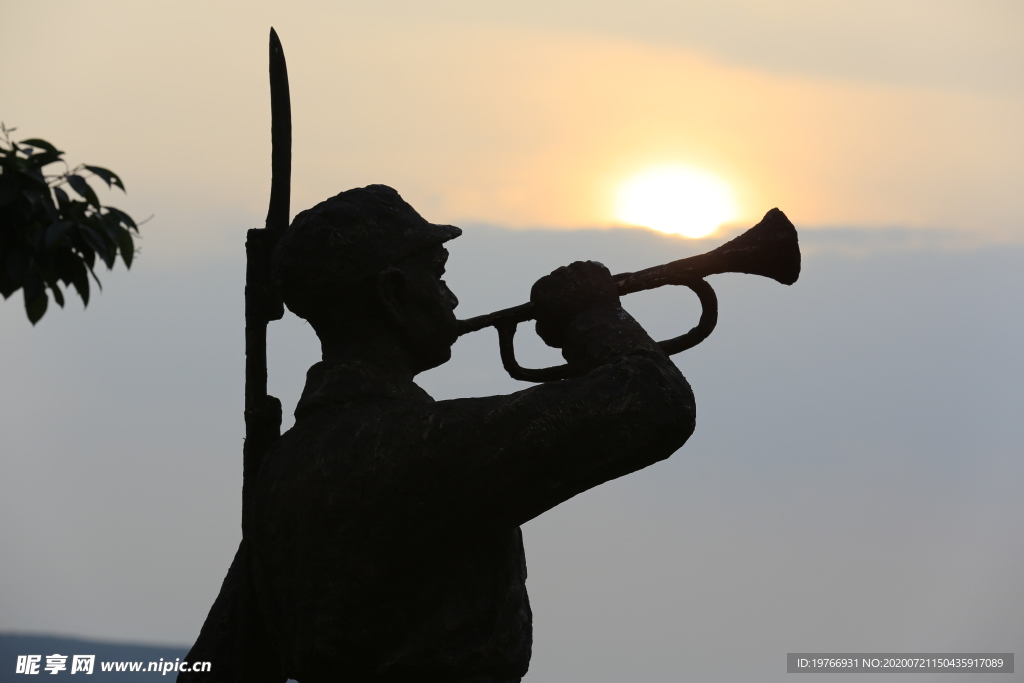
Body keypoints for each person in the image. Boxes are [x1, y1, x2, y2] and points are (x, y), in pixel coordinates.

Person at [188, 184, 696, 683]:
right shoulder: (421, 445)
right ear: (393, 293)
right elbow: (656, 401)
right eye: (437, 275)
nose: (451, 298)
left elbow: (218, 661)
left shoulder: (284, 467)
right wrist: (592, 315)